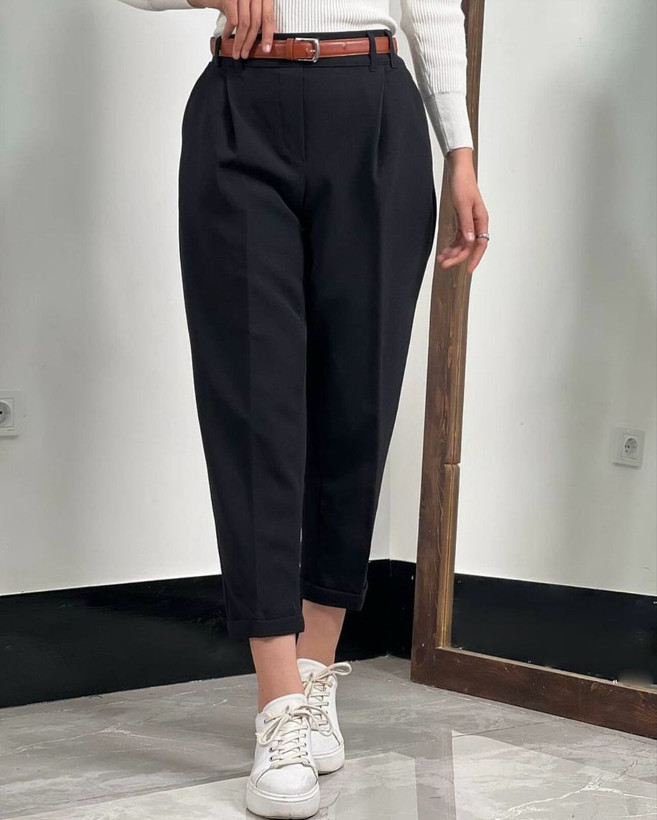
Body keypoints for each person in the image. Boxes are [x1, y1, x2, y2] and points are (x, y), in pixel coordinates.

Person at [117, 1, 489, 817]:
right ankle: (278, 701)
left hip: (376, 110)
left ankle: (314, 672)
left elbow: (430, 5)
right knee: (252, 411)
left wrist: (459, 150)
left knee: (359, 402)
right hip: (239, 106)